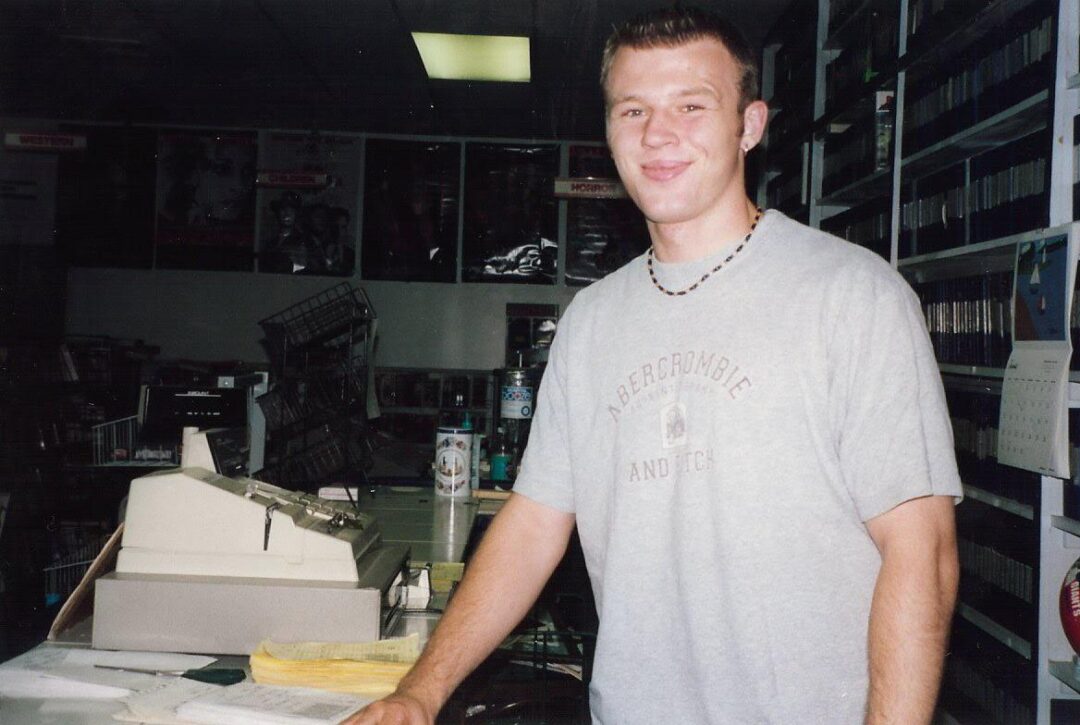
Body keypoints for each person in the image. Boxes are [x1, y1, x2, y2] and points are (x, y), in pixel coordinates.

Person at [348, 6, 960, 724]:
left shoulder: (852, 295)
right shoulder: (591, 321)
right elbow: (533, 522)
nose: (657, 134)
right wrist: (420, 692)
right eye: (632, 109)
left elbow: (923, 553)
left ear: (750, 125)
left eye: (691, 106)